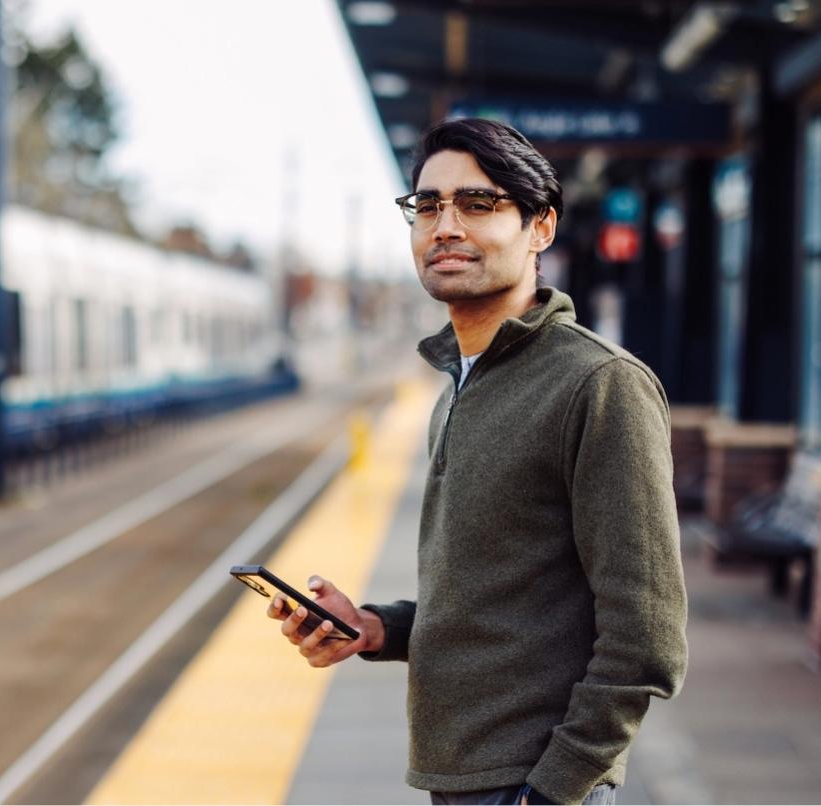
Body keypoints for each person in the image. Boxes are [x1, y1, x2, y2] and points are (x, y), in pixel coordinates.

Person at [267, 117, 688, 805]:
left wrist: (552, 789)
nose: (445, 226)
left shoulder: (598, 384)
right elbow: (498, 598)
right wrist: (376, 628)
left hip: (531, 784)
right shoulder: (463, 383)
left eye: (478, 203)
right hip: (460, 776)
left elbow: (648, 636)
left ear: (541, 227)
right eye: (428, 206)